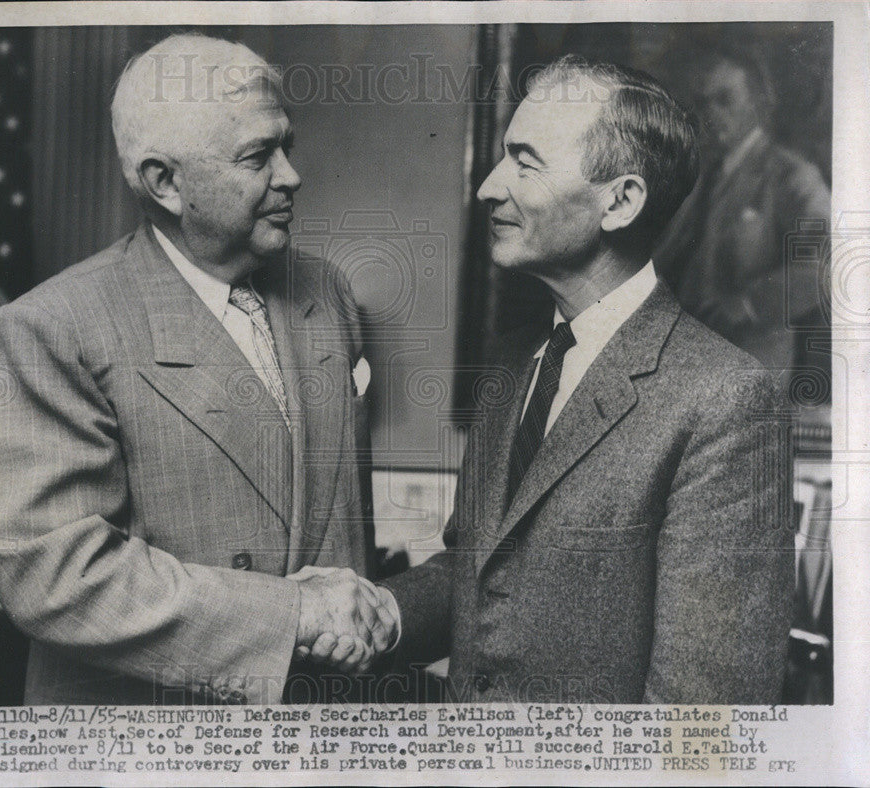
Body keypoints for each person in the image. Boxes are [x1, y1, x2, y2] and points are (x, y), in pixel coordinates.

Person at [318, 55, 795, 704]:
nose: (488, 186)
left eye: (524, 160)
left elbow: (701, 728)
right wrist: (376, 613)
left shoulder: (726, 400)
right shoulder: (514, 366)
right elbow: (479, 576)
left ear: (621, 201)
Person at [0, 33, 395, 705]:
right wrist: (294, 614)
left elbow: (340, 523)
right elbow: (57, 577)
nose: (290, 175)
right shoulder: (49, 331)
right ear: (165, 182)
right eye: (258, 156)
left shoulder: (327, 292)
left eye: (287, 145)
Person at [653, 50, 831, 386]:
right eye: (703, 103)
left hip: (753, 368)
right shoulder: (697, 176)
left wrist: (750, 304)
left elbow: (824, 267)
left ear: (758, 104)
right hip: (686, 365)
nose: (711, 114)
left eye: (724, 100)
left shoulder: (792, 176)